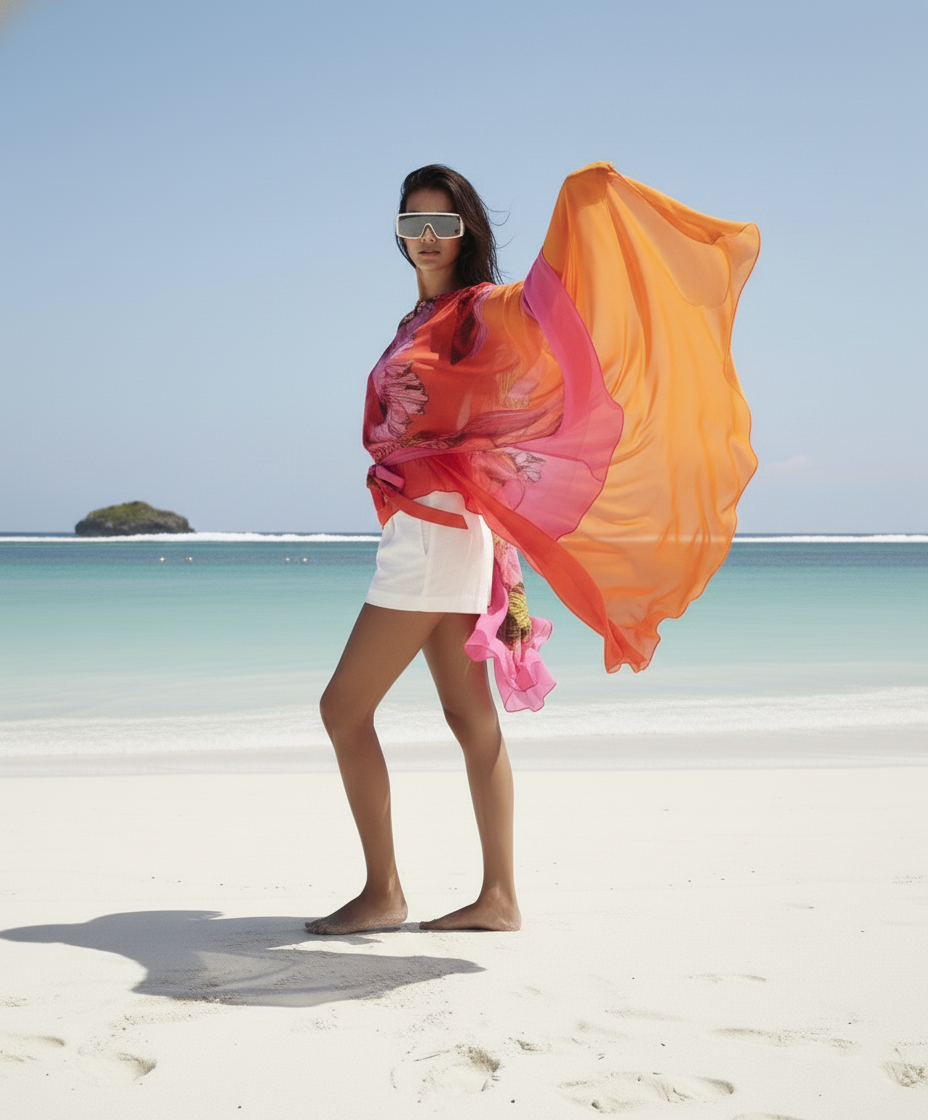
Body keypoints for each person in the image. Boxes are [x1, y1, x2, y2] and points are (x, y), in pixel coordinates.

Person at [305, 163, 760, 936]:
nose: (425, 239)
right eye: (411, 223)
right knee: (468, 715)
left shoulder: (483, 311)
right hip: (437, 529)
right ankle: (499, 898)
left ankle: (385, 892)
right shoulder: (420, 319)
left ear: (467, 233)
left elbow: (551, 308)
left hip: (436, 534)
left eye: (442, 225)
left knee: (343, 710)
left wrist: (585, 204)